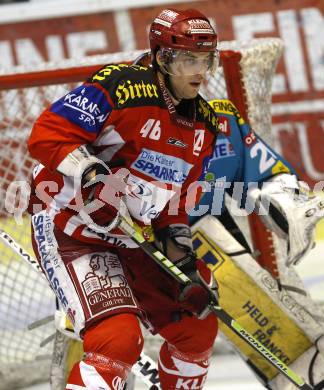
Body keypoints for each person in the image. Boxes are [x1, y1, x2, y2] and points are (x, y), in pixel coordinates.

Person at [28, 8, 221, 390]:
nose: (199, 71)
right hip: (72, 226)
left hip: (131, 235)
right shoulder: (122, 86)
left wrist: (183, 258)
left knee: (197, 327)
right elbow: (46, 135)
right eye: (188, 60)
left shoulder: (205, 126)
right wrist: (90, 171)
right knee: (117, 340)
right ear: (163, 58)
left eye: (205, 60)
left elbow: (173, 203)